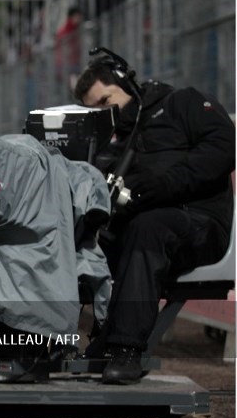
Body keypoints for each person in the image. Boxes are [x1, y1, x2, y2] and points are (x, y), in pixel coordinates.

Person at [73, 55, 235, 384]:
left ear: (125, 83)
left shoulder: (183, 102)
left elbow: (223, 147)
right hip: (145, 227)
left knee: (148, 229)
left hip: (201, 223)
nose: (107, 113)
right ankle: (36, 342)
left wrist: (164, 184)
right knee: (74, 238)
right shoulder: (114, 145)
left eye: (106, 101)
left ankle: (126, 349)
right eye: (96, 110)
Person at [54, 6, 84, 93]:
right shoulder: (65, 32)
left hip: (73, 65)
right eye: (78, 16)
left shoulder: (77, 30)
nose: (80, 19)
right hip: (66, 66)